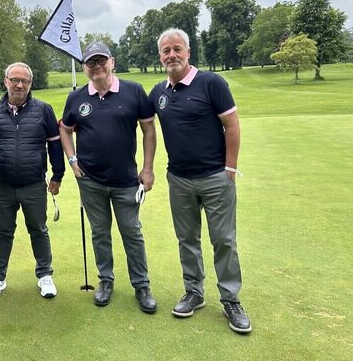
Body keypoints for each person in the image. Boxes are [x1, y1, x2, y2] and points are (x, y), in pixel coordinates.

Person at [146, 28, 251, 334]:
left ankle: (230, 299)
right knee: (187, 239)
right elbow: (139, 122)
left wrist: (230, 169)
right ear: (160, 56)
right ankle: (194, 292)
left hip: (215, 177)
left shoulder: (211, 83)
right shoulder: (158, 93)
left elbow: (231, 125)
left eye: (177, 49)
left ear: (188, 52)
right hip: (178, 179)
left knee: (224, 240)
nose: (172, 55)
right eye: (166, 51)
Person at [59, 41, 158, 314]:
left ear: (112, 61)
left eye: (102, 60)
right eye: (91, 62)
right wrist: (72, 160)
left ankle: (142, 285)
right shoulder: (76, 97)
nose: (97, 66)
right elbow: (65, 130)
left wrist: (147, 168)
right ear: (85, 67)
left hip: (126, 180)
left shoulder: (134, 91)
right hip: (90, 180)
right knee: (100, 232)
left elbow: (149, 130)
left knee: (132, 233)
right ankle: (106, 280)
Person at [0, 62, 65, 301]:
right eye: (14, 80)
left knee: (38, 230)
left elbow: (54, 144)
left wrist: (57, 175)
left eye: (24, 81)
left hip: (34, 185)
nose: (19, 85)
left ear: (30, 84)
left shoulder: (44, 110)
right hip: (3, 186)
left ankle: (45, 275)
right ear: (5, 81)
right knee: (3, 233)